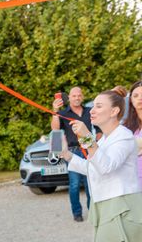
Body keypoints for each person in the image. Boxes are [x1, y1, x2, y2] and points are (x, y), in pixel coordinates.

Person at [60, 90, 142, 241]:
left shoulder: (123, 136)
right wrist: (67, 155)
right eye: (93, 106)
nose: (91, 110)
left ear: (114, 111)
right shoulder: (104, 139)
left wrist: (87, 137)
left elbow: (106, 167)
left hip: (121, 206)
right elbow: (93, 168)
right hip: (105, 204)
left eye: (98, 106)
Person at [51, 86, 95, 221]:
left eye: (79, 95)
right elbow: (55, 129)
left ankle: (92, 212)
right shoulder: (64, 113)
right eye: (74, 96)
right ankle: (77, 214)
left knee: (90, 184)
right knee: (75, 185)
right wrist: (55, 111)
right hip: (73, 152)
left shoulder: (89, 111)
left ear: (82, 97)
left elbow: (98, 129)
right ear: (68, 98)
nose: (77, 98)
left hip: (89, 151)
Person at [123, 79, 142, 189]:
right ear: (130, 100)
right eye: (135, 95)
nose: (140, 98)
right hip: (133, 179)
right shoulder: (126, 126)